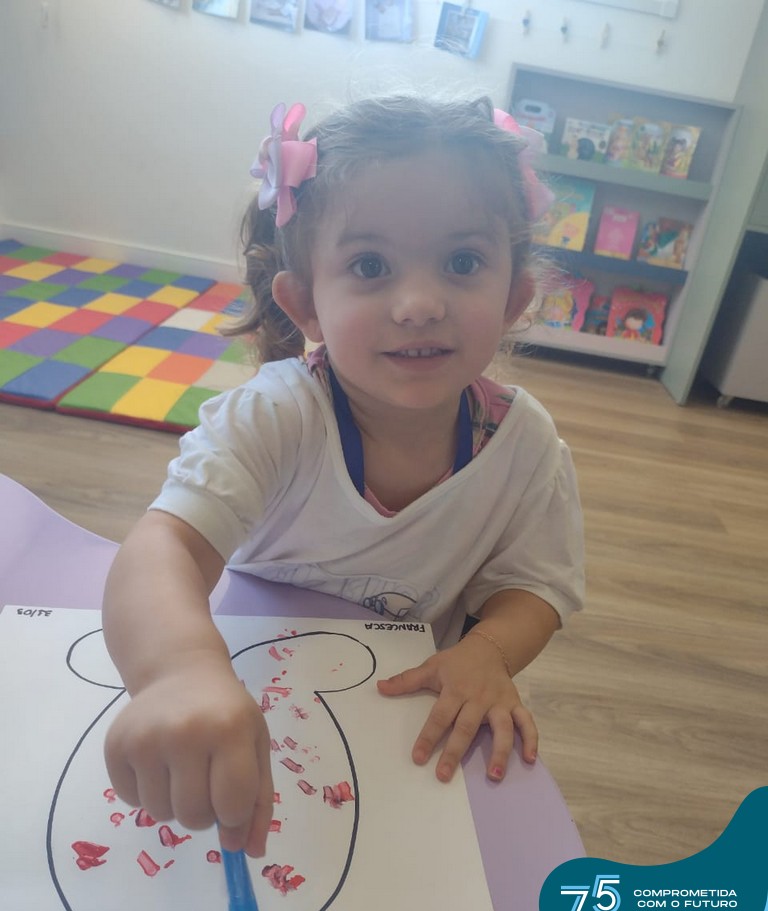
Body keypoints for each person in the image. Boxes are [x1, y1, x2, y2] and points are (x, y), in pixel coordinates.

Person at [102, 94, 585, 859]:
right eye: (370, 266)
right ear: (305, 305)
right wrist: (177, 671)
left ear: (515, 298)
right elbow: (163, 548)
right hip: (246, 699)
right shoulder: (274, 415)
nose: (420, 304)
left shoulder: (526, 446)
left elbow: (536, 587)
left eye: (463, 263)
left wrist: (488, 653)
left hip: (400, 721)